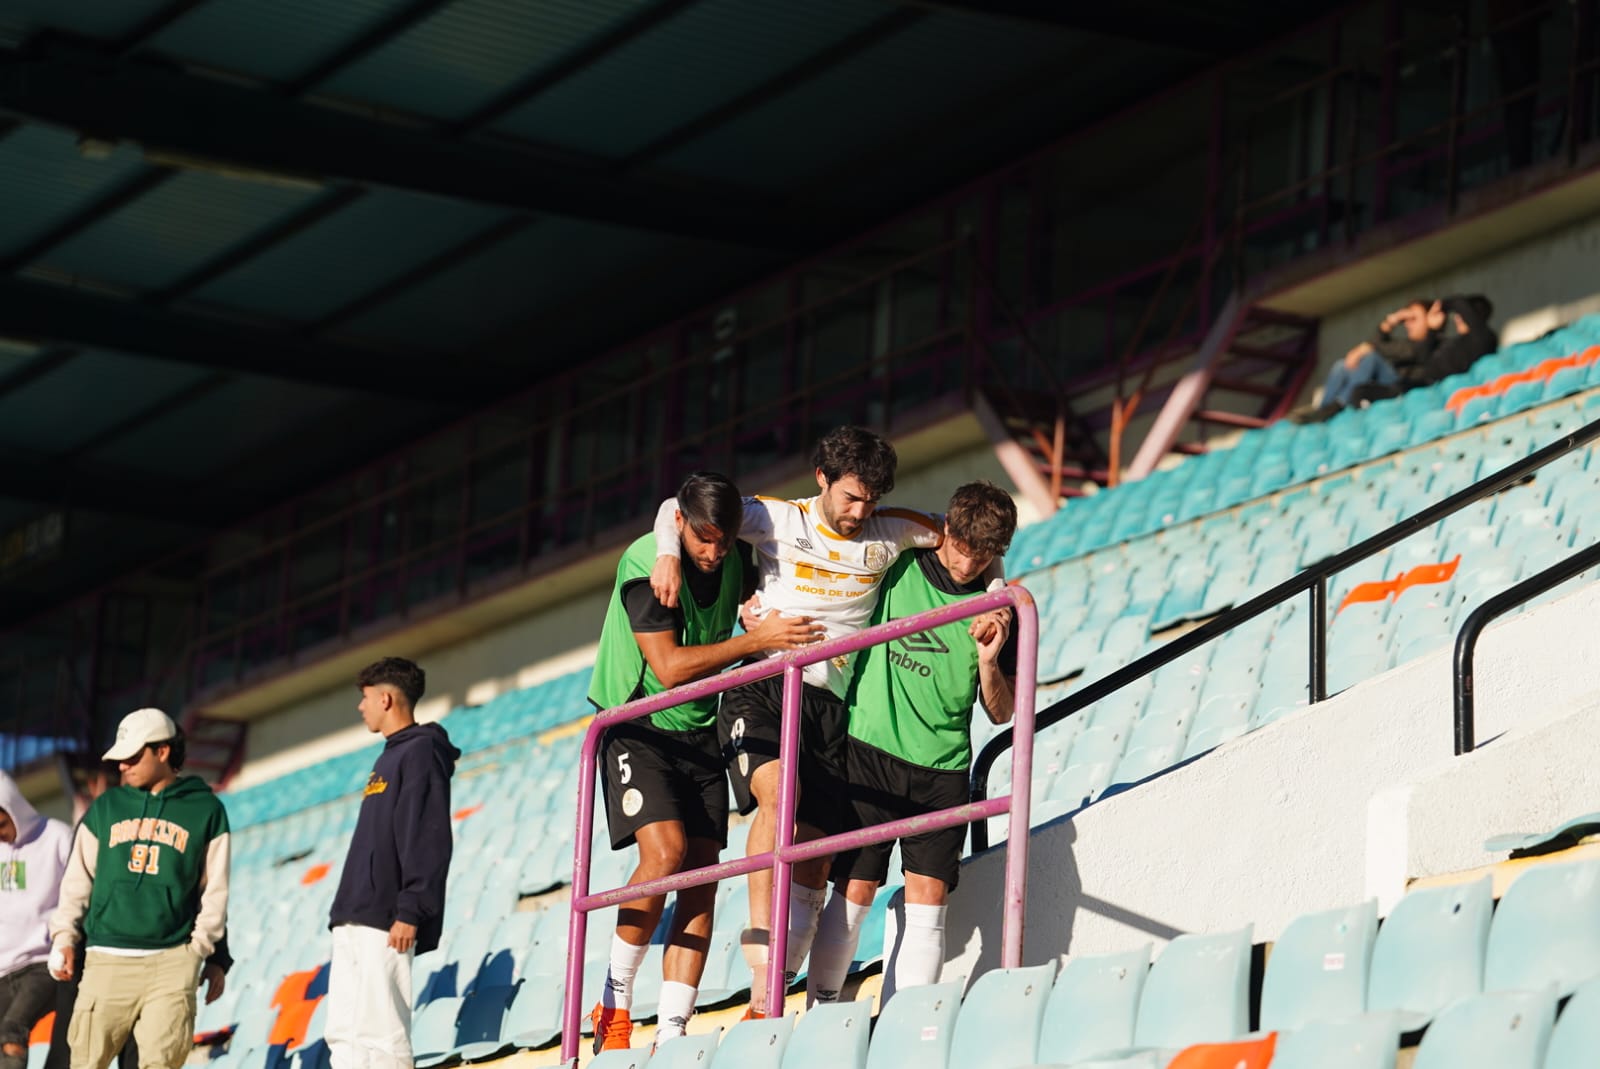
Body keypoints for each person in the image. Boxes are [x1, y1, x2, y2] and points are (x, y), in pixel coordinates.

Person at [649, 427, 965, 1017]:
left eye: (870, 499)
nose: (859, 511)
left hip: (828, 704)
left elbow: (968, 536)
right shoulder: (780, 520)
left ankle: (777, 991)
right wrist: (668, 551)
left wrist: (999, 588)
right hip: (767, 685)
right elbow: (679, 504)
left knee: (816, 853)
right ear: (822, 479)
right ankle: (765, 974)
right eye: (849, 497)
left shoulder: (891, 528)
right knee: (779, 799)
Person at [587, 472, 824, 1053]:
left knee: (701, 876)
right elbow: (667, 669)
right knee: (665, 854)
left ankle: (672, 1030)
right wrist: (754, 642)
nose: (715, 553)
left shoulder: (737, 555)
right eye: (703, 540)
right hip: (637, 721)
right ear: (681, 526)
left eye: (725, 540)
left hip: (698, 728)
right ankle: (613, 1001)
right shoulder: (649, 562)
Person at [802, 482, 1019, 1006]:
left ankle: (903, 1027)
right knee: (854, 891)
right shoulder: (897, 564)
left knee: (929, 902)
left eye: (984, 554)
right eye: (964, 547)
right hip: (869, 750)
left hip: (942, 769)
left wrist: (990, 662)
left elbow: (1002, 712)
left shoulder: (1004, 610)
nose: (969, 564)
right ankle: (824, 1009)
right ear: (948, 529)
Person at [47, 708, 230, 1069]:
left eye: (132, 756)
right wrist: (64, 938)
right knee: (84, 1062)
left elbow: (215, 891)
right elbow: (76, 882)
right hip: (106, 962)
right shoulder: (106, 808)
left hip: (171, 964)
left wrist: (201, 952)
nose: (121, 766)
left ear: (162, 752)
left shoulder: (206, 810)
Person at [326, 657, 458, 1069]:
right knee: (344, 1036)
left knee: (382, 1035)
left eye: (365, 699)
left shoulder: (421, 752)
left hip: (386, 917)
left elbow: (427, 834)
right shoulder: (389, 756)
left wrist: (412, 908)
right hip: (353, 912)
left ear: (385, 698)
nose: (360, 707)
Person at [1, 772, 72, 1069]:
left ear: (13, 807)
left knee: (12, 1030)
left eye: (1, 823)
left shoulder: (57, 836)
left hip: (43, 963)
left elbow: (79, 893)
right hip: (4, 966)